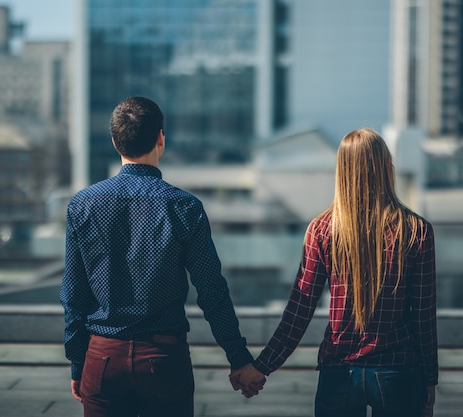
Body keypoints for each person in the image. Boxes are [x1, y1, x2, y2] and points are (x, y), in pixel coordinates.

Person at [60, 96, 255, 417]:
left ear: (114, 142)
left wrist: (78, 361)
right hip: (164, 360)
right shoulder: (184, 207)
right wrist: (239, 358)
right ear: (160, 138)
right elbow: (212, 291)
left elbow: (73, 295)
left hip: (103, 357)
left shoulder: (83, 205)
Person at [231, 128, 438, 417]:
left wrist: (261, 367)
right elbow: (423, 316)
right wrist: (430, 379)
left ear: (342, 170)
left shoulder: (322, 229)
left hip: (339, 371)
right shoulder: (416, 230)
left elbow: (299, 311)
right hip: (397, 369)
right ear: (386, 166)